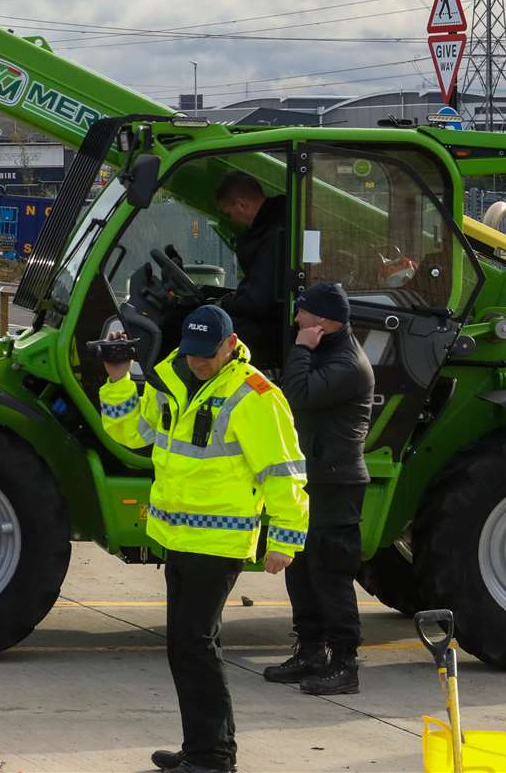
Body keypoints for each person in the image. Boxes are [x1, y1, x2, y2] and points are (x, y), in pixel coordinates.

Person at [97, 304, 310, 773]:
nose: (198, 362)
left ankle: (213, 757)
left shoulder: (255, 395)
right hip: (177, 536)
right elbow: (133, 432)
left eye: (208, 354)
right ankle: (202, 750)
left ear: (230, 345)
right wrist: (118, 378)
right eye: (192, 353)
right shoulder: (168, 379)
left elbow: (284, 472)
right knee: (186, 645)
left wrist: (285, 539)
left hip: (220, 541)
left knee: (194, 643)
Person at [266, 281, 374, 696]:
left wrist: (301, 348)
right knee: (303, 569)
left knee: (330, 574)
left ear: (324, 322)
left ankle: (345, 664)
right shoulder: (329, 352)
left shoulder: (347, 363)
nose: (296, 320)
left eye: (303, 314)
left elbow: (299, 394)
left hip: (337, 482)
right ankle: (310, 652)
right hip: (314, 478)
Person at [213, 172, 288, 368]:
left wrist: (226, 303)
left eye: (230, 213)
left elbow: (257, 301)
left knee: (213, 333)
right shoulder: (278, 221)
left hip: (275, 328)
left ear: (241, 205)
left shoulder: (272, 236)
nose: (233, 220)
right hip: (278, 319)